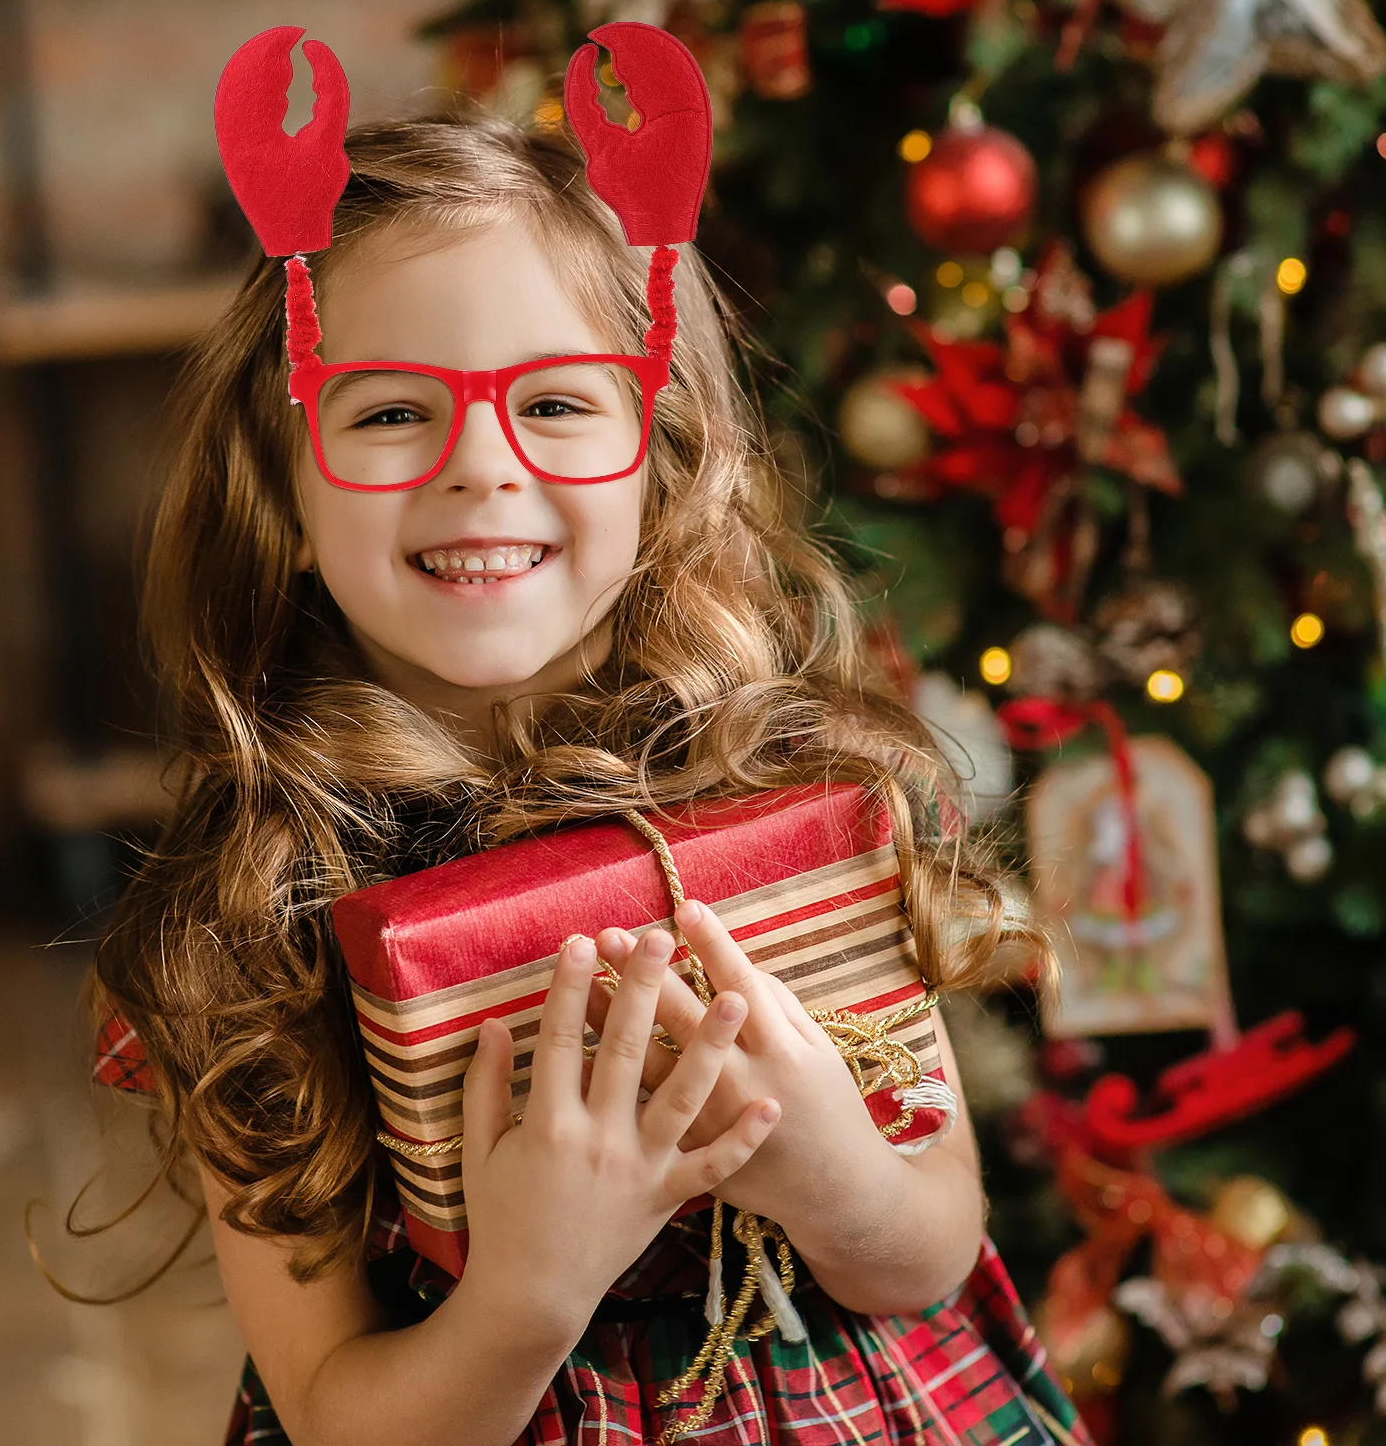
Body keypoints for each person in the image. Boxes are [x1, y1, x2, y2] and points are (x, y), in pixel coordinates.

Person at [90, 102, 1091, 1446]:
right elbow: (337, 1413)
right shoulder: (255, 922)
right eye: (389, 412)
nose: (482, 468)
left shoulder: (801, 795)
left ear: (663, 460)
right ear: (282, 497)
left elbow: (928, 1246)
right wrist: (528, 1288)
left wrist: (831, 1169)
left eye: (556, 402)